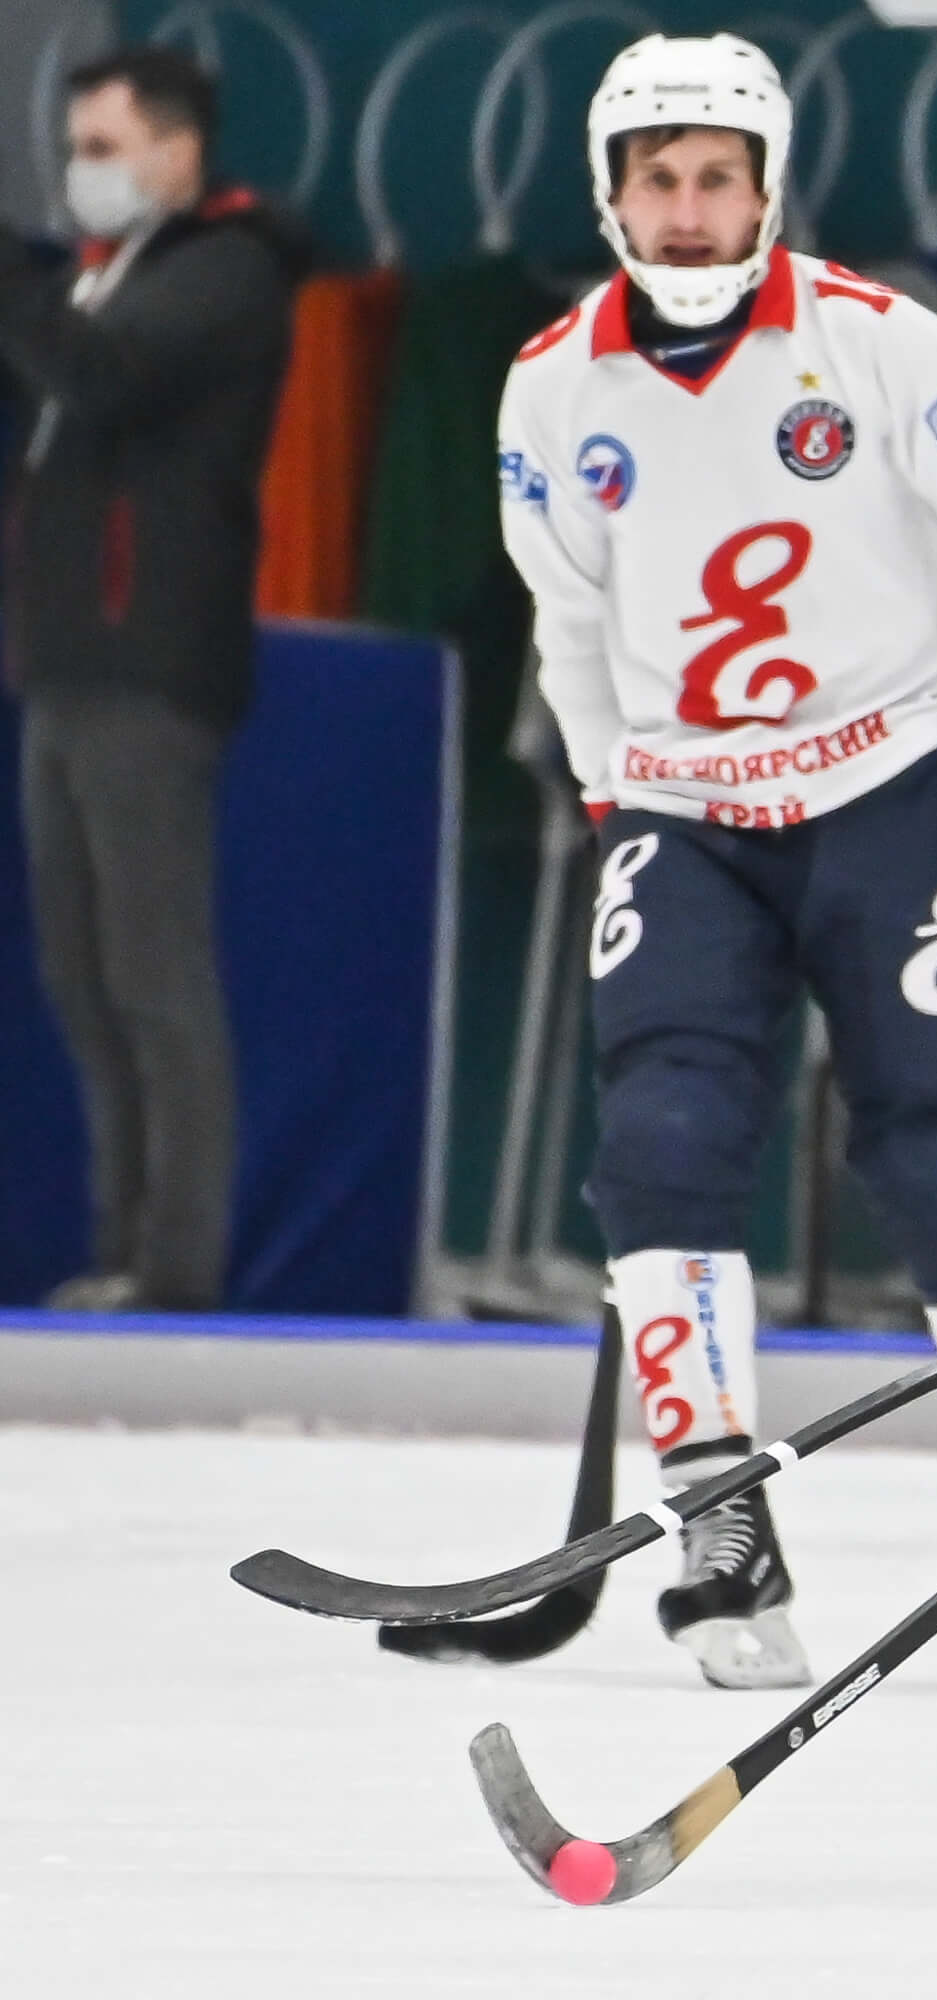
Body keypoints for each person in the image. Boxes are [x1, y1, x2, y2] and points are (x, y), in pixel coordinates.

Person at [494, 35, 937, 1694]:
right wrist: (614, 785)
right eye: (659, 179)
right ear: (610, 193)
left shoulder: (877, 343)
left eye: (719, 178)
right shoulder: (552, 389)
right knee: (660, 1143)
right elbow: (568, 622)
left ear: (768, 189)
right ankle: (717, 1516)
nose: (690, 211)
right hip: (690, 816)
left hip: (893, 792)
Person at [1, 46, 307, 1312]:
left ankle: (176, 1267)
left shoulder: (228, 271)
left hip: (151, 659)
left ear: (180, 154)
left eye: (108, 147)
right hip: (70, 659)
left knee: (154, 970)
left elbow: (101, 379)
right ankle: (122, 1243)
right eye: (77, 148)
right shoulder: (109, 272)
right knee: (79, 968)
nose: (85, 173)